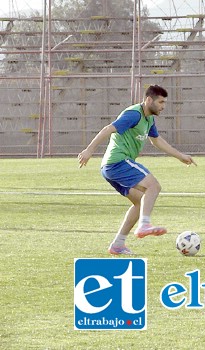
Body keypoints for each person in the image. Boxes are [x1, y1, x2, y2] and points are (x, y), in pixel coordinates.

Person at [78, 85, 196, 255]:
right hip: (117, 162)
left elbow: (156, 140)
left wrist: (179, 156)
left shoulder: (149, 119)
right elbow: (108, 129)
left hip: (112, 168)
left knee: (141, 202)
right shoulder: (134, 114)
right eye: (161, 102)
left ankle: (118, 244)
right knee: (153, 186)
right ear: (149, 100)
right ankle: (144, 224)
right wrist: (89, 150)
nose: (163, 106)